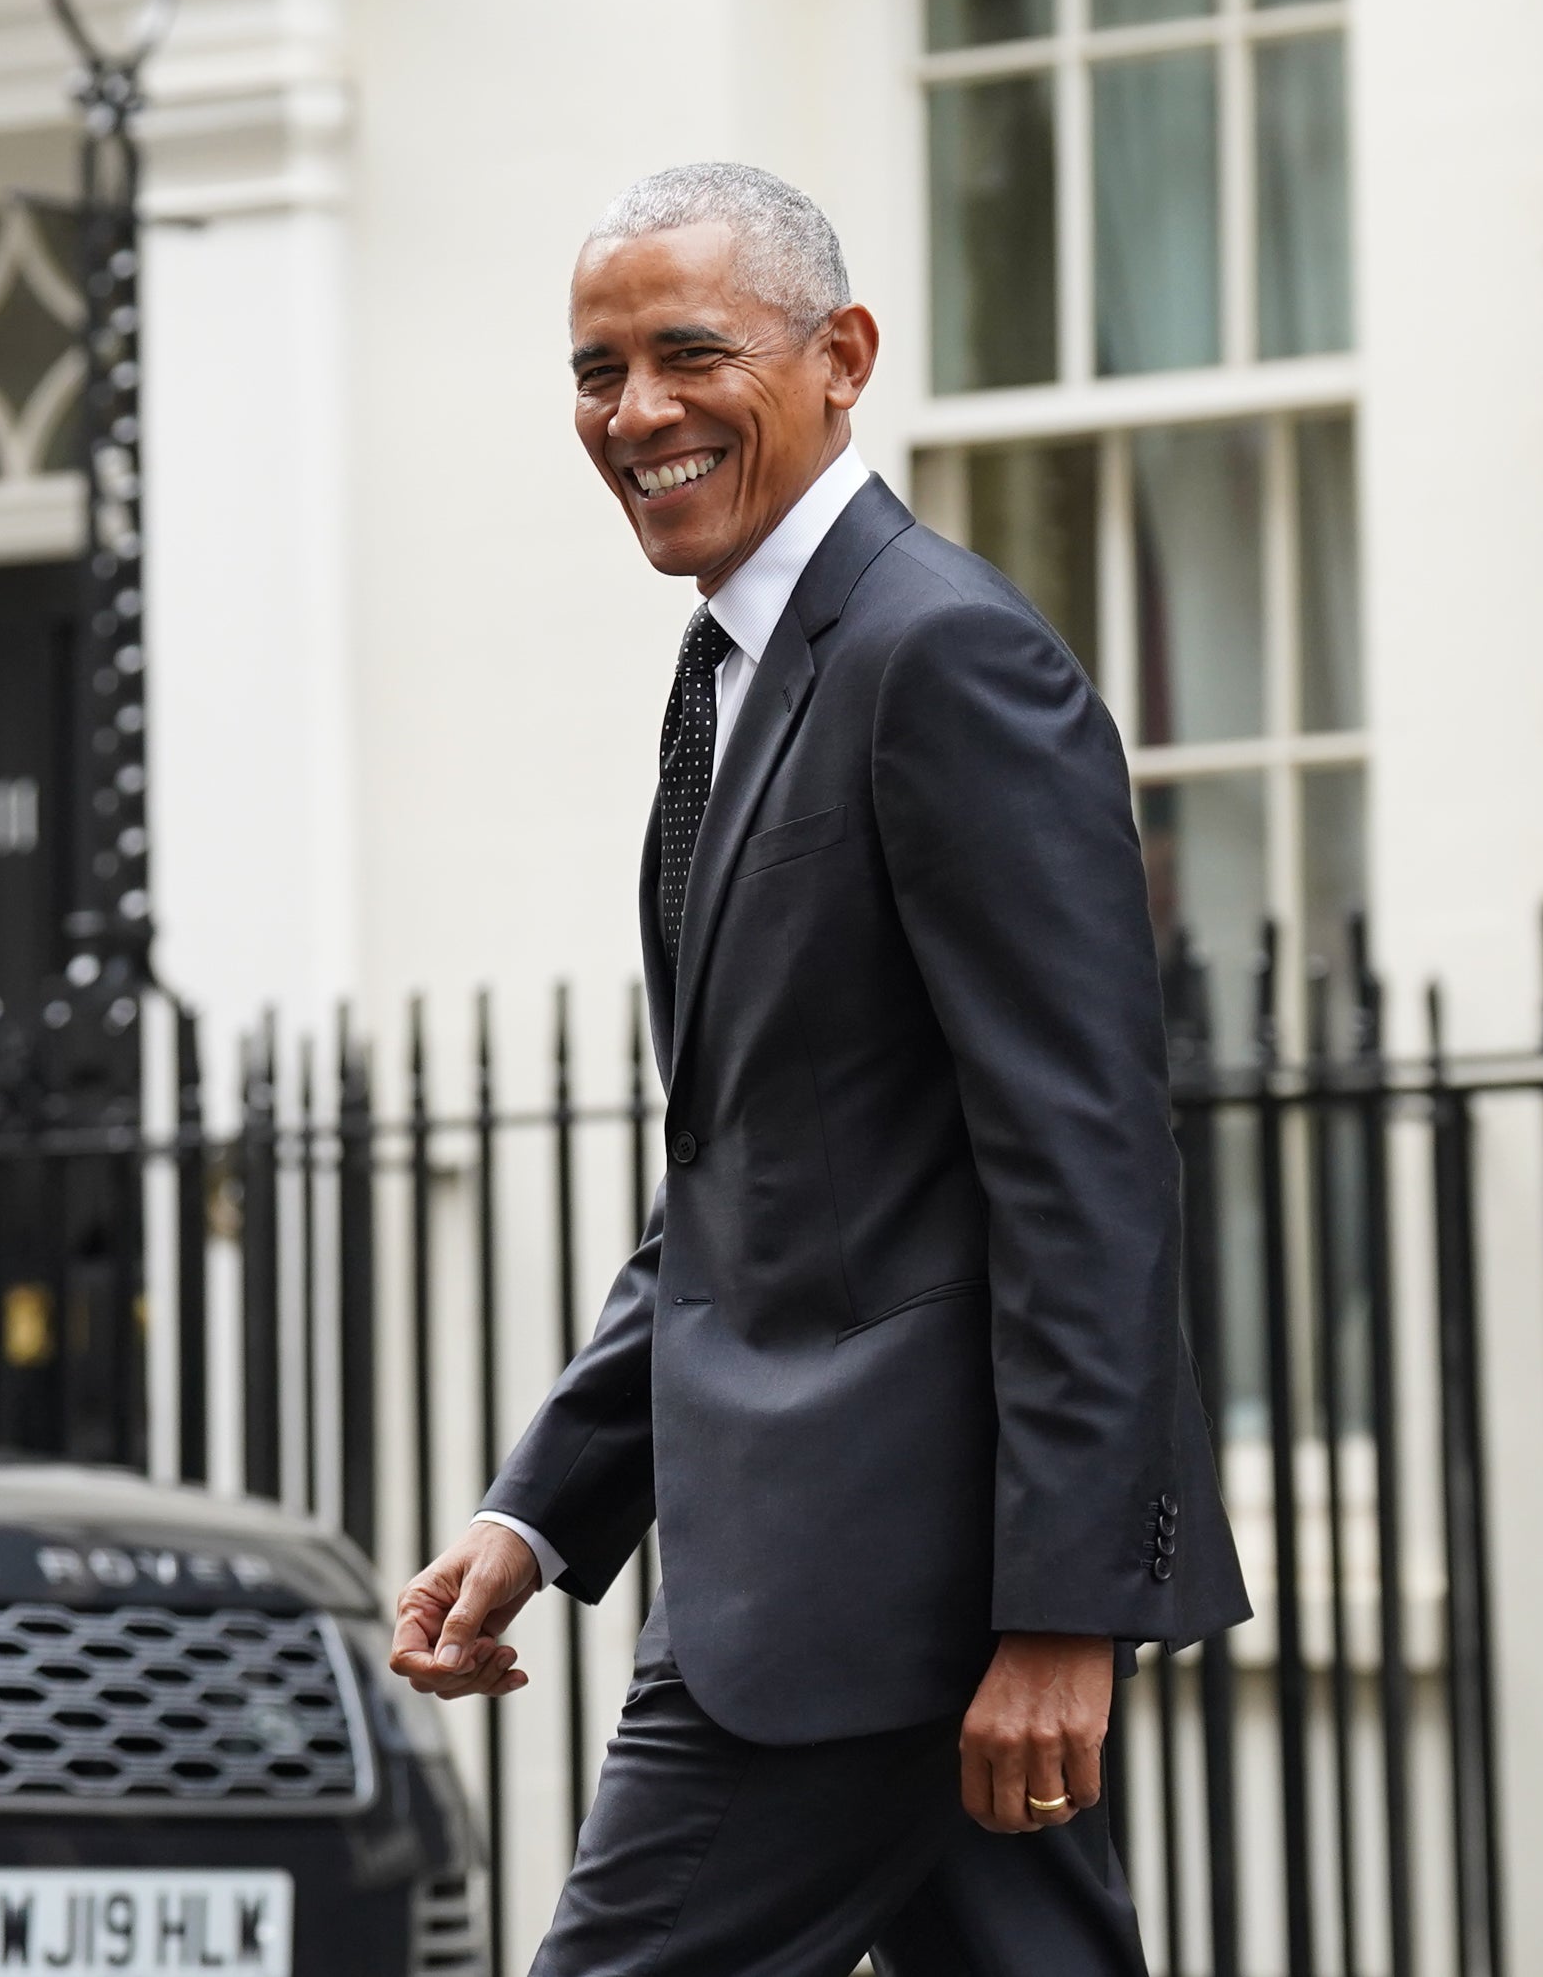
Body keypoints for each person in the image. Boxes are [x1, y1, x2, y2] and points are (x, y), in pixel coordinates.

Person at [386, 165, 1247, 1975]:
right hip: (842, 1583)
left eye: (689, 353)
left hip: (871, 1604)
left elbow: (1083, 1165)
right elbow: (755, 1181)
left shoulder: (943, 657)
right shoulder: (743, 674)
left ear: (843, 355)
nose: (635, 415)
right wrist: (541, 1507)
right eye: (596, 371)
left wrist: (1061, 1617)